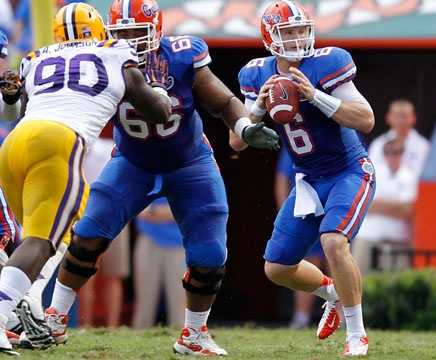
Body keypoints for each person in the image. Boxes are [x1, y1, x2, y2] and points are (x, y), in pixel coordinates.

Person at [42, 0, 279, 357]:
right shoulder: (104, 59)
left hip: (189, 162)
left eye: (138, 33)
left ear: (157, 29)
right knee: (88, 233)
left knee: (210, 253)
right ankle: (54, 319)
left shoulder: (182, 54)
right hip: (132, 162)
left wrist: (244, 126)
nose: (132, 42)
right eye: (123, 35)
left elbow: (222, 101)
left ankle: (194, 334)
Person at [0, 2, 172, 354]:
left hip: (14, 144)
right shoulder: (116, 52)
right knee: (41, 241)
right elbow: (156, 111)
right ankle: (2, 313)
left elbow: (12, 112)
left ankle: (25, 304)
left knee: (46, 235)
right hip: (59, 140)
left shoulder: (35, 56)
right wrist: (161, 94)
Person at [235, 1, 375, 356]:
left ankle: (357, 334)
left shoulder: (328, 63)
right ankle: (333, 294)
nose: (298, 38)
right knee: (277, 267)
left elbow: (366, 119)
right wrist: (257, 110)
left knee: (332, 242)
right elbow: (236, 140)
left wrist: (316, 96)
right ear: (270, 38)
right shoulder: (255, 75)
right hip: (308, 178)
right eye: (289, 32)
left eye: (301, 30)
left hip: (348, 169)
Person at [76, 138, 130, 328]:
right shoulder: (78, 145)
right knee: (85, 273)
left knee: (113, 275)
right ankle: (86, 325)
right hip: (87, 213)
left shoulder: (115, 146)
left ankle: (112, 326)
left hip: (116, 214)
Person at [274, 149, 326, 329]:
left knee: (338, 258)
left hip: (334, 205)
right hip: (305, 210)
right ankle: (301, 317)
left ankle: (346, 318)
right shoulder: (294, 136)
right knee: (305, 262)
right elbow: (282, 180)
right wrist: (285, 217)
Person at [354, 138, 418, 275]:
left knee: (397, 287)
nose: (393, 156)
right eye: (389, 152)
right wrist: (396, 207)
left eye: (397, 152)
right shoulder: (372, 173)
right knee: (357, 282)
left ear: (403, 153)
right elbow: (364, 204)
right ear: (384, 154)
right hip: (369, 237)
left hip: (398, 239)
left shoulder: (410, 176)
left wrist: (377, 205)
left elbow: (408, 210)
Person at [132, 198, 186, 329]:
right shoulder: (145, 176)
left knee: (179, 308)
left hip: (180, 243)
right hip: (148, 239)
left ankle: (184, 345)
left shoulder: (189, 177)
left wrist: (153, 211)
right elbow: (138, 209)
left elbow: (190, 209)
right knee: (144, 306)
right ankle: (137, 345)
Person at [367, 99, 430, 174]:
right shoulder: (379, 143)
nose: (401, 121)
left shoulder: (423, 145)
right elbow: (370, 171)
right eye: (397, 116)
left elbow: (426, 173)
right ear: (388, 117)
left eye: (405, 117)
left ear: (414, 118)